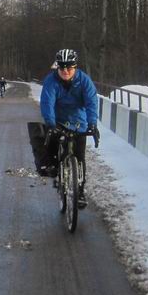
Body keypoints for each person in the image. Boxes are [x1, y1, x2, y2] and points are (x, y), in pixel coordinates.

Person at [39, 48, 99, 209]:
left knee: (79, 157)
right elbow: (47, 102)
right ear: (57, 67)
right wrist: (50, 124)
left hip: (78, 121)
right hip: (57, 119)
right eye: (62, 67)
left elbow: (92, 103)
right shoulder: (51, 81)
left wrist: (92, 124)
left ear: (75, 67)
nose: (65, 71)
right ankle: (54, 168)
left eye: (69, 67)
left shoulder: (84, 81)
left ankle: (80, 191)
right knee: (51, 142)